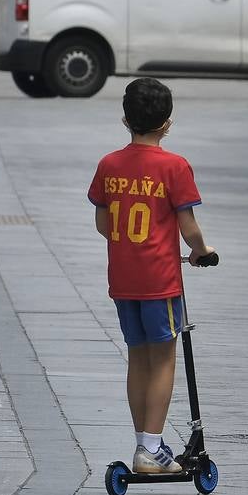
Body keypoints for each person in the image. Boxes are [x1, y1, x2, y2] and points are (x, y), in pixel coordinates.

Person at [87, 78, 215, 474]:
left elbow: (102, 222)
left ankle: (143, 441)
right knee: (164, 360)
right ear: (168, 123)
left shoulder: (109, 165)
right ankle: (152, 447)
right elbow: (187, 225)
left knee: (137, 358)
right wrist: (200, 252)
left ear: (125, 119)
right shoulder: (174, 167)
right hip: (160, 281)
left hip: (123, 280)